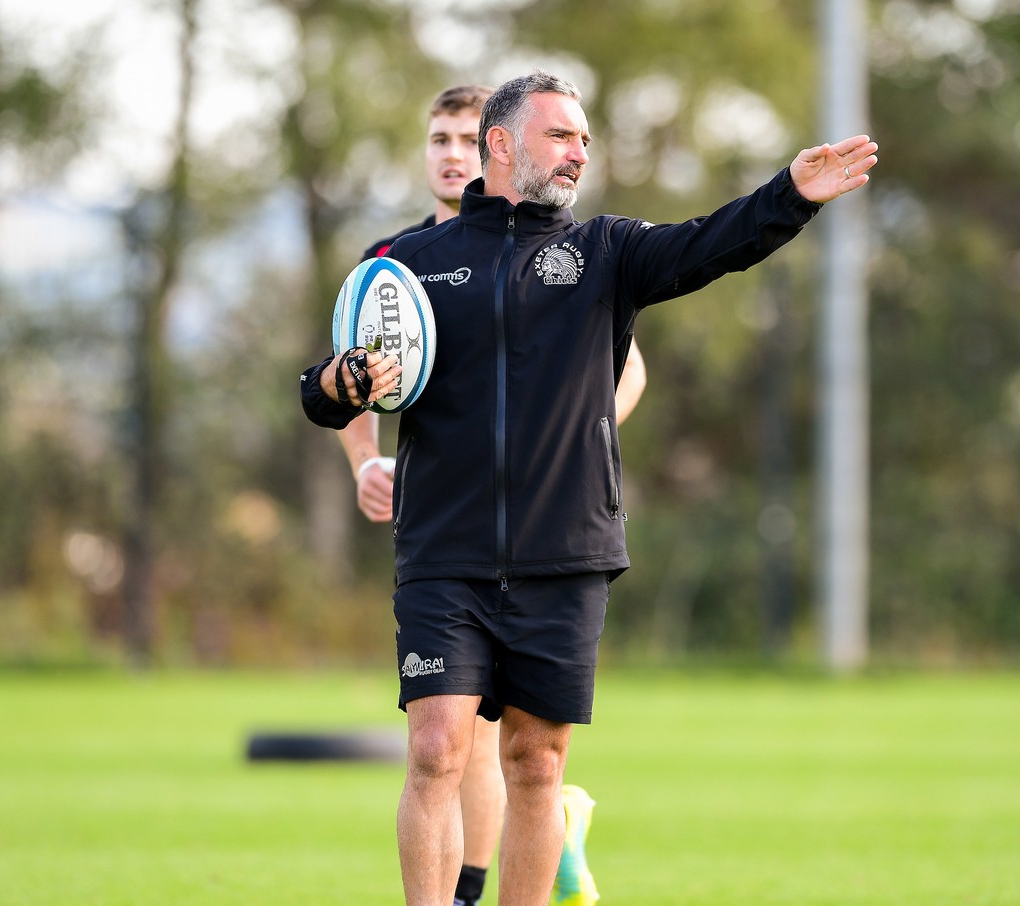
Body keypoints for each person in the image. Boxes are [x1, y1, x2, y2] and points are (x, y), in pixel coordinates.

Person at [300, 70, 877, 906]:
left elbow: (714, 240)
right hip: (443, 553)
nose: (579, 153)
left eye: (584, 140)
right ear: (501, 145)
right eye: (561, 136)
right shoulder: (409, 263)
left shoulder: (606, 251)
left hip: (565, 553)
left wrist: (792, 194)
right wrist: (343, 383)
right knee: (434, 749)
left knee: (537, 763)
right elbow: (322, 391)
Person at [336, 84, 640, 906]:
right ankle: (481, 879)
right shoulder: (397, 264)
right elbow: (346, 380)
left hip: (543, 538)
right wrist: (366, 459)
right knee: (443, 739)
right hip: (445, 534)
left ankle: (501, 870)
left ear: (495, 146)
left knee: (502, 748)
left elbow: (623, 369)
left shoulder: (571, 254)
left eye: (464, 136)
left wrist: (553, 440)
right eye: (437, 136)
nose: (450, 151)